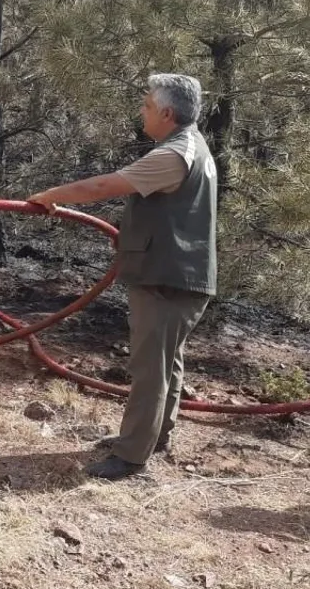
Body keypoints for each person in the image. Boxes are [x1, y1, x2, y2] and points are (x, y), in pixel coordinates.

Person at [28, 73, 216, 480]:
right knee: (167, 361)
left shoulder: (172, 155)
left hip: (168, 275)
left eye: (147, 106)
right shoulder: (193, 146)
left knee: (150, 367)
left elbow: (103, 185)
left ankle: (130, 456)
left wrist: (50, 195)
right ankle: (155, 436)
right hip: (180, 274)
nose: (142, 113)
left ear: (167, 112)